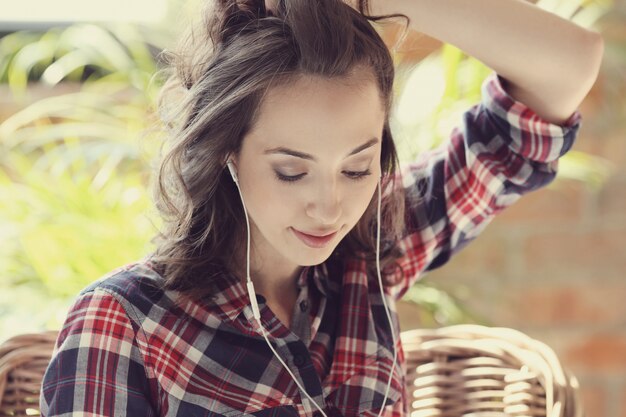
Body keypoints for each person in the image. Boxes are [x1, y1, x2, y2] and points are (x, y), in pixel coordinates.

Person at [39, 0, 603, 416]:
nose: (330, 208)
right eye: (291, 171)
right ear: (228, 152)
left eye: (357, 168)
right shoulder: (123, 324)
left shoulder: (370, 255)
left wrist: (381, 2)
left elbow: (568, 66)